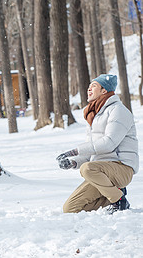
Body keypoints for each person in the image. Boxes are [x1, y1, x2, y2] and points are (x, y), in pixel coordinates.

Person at [56, 74, 138, 213]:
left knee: (87, 169)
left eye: (93, 86)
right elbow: (92, 150)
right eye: (89, 86)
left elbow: (108, 143)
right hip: (100, 172)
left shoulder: (118, 110)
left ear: (104, 90)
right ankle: (114, 193)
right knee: (70, 209)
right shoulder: (95, 115)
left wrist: (74, 151)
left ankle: (119, 200)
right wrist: (73, 162)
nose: (89, 89)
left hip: (121, 168)